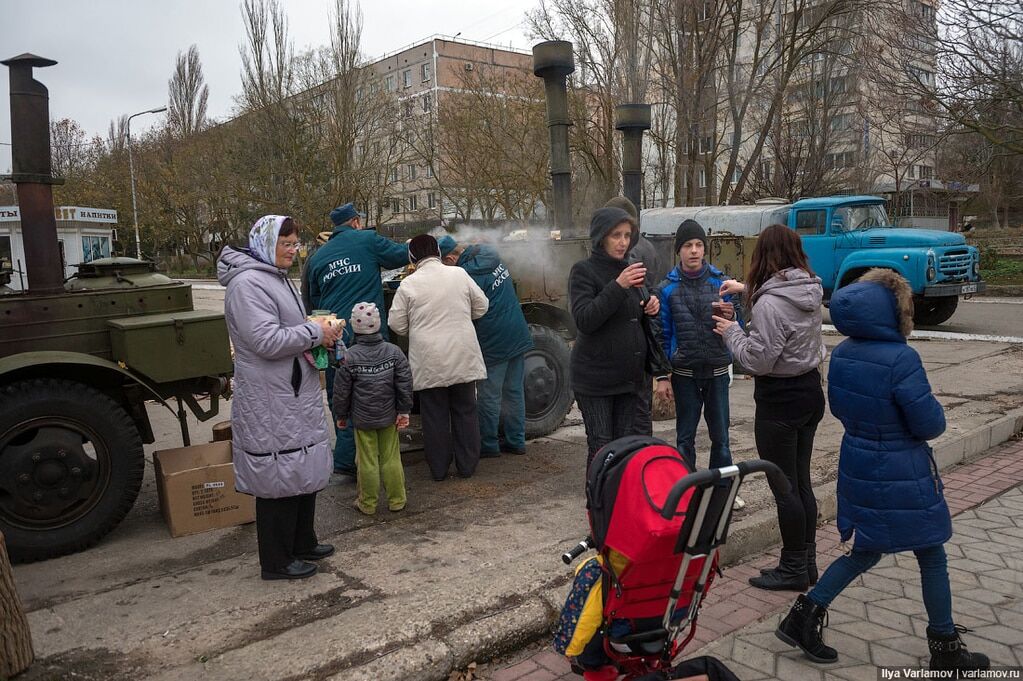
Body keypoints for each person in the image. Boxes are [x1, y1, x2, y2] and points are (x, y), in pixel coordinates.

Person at [774, 269, 990, 672]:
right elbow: (929, 424)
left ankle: (802, 616)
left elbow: (839, 408)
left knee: (865, 550)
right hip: (902, 469)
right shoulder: (901, 358)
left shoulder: (843, 353)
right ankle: (945, 648)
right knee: (931, 552)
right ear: (894, 313)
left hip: (858, 460)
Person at [218, 215, 338, 580]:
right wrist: (314, 331)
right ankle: (276, 560)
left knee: (301, 465)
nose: (292, 250)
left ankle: (302, 542)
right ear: (266, 243)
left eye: (295, 243)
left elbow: (289, 330)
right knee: (278, 475)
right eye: (285, 243)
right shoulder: (248, 284)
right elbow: (266, 341)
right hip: (270, 396)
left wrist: (318, 332)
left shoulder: (273, 277)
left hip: (291, 390)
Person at [712, 225, 825, 591]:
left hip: (780, 402)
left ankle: (792, 567)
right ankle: (807, 562)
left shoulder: (769, 304)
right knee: (802, 483)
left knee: (785, 488)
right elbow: (781, 301)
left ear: (764, 256)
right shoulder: (809, 288)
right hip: (810, 392)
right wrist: (743, 290)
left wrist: (731, 331)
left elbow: (757, 360)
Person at [302, 203, 409, 478]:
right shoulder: (367, 240)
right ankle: (378, 459)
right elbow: (401, 255)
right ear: (356, 222)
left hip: (332, 337)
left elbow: (311, 301)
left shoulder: (316, 257)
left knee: (342, 397)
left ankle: (346, 459)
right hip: (367, 336)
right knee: (377, 394)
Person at [655, 220, 744, 512]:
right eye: (687, 246)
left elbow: (740, 327)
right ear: (678, 250)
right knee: (685, 438)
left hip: (718, 371)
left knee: (721, 438)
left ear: (704, 249)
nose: (694, 251)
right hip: (684, 375)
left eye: (698, 245)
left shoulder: (722, 284)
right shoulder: (667, 289)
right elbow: (663, 334)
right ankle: (686, 491)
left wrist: (733, 317)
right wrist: (662, 376)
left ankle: (724, 492)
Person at [388, 234, 490, 480]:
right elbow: (482, 306)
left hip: (429, 359)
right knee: (466, 410)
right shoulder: (458, 274)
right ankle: (467, 466)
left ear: (413, 257)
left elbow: (396, 324)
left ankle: (439, 469)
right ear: (437, 252)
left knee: (434, 415)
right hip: (462, 353)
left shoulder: (409, 285)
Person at [568, 206, 661, 467]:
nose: (623, 242)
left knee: (624, 451)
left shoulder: (632, 268)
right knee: (602, 450)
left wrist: (650, 307)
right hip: (595, 381)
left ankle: (618, 506)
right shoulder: (583, 271)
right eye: (616, 235)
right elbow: (585, 320)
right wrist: (618, 286)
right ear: (601, 237)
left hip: (628, 380)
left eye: (627, 235)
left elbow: (634, 316)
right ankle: (597, 507)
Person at [438, 235, 533, 457]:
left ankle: (489, 445)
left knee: (490, 395)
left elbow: (468, 310)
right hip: (517, 331)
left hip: (494, 339)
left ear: (451, 258)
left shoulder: (467, 275)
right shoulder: (490, 255)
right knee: (514, 391)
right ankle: (516, 441)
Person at [332, 302, 413, 515]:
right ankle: (397, 500)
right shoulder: (394, 352)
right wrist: (404, 410)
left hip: (363, 419)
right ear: (379, 324)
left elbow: (342, 391)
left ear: (354, 327)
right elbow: (404, 383)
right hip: (389, 416)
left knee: (366, 460)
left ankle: (367, 503)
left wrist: (341, 415)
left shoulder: (349, 357)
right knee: (391, 458)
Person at [603, 196, 661, 437]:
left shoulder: (631, 252)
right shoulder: (647, 246)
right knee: (641, 415)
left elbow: (633, 294)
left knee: (633, 420)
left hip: (631, 345)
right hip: (643, 342)